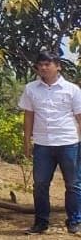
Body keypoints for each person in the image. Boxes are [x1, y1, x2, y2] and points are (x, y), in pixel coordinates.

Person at [18, 51, 81, 235]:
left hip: (68, 142)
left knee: (73, 183)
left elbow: (79, 117)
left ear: (58, 66)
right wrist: (26, 141)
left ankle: (75, 221)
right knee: (40, 185)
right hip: (43, 144)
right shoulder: (31, 89)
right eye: (40, 64)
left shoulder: (72, 90)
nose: (43, 68)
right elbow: (28, 115)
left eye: (48, 64)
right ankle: (41, 223)